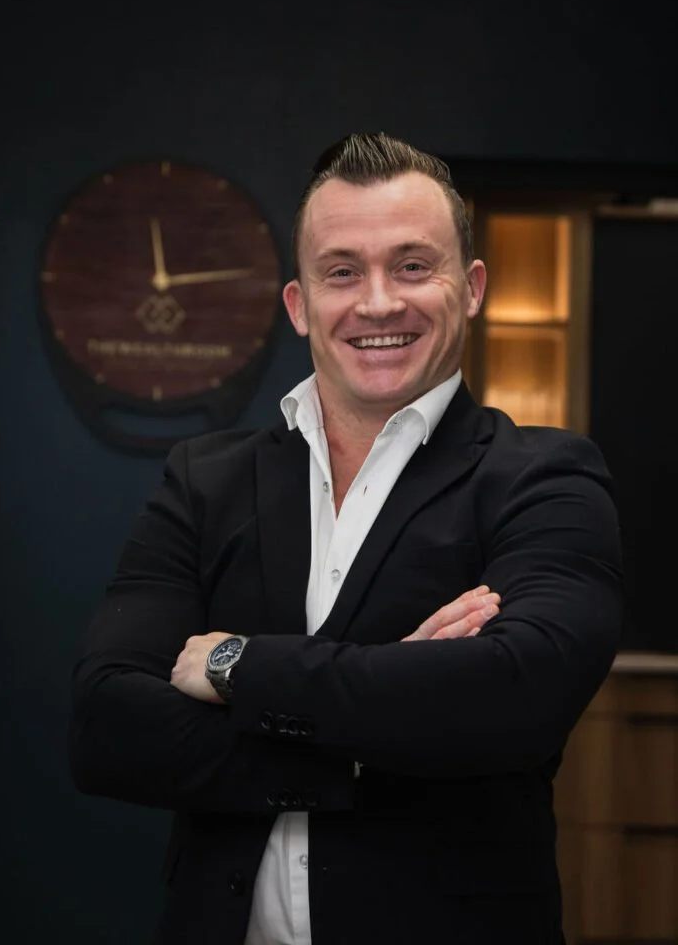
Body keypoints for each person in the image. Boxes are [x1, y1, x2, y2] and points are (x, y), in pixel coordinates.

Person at [69, 132, 624, 944]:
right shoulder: (204, 480)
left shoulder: (544, 477)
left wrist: (237, 667)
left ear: (470, 287)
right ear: (299, 305)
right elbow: (107, 730)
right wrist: (387, 718)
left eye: (412, 265)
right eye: (341, 272)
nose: (377, 303)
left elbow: (518, 696)